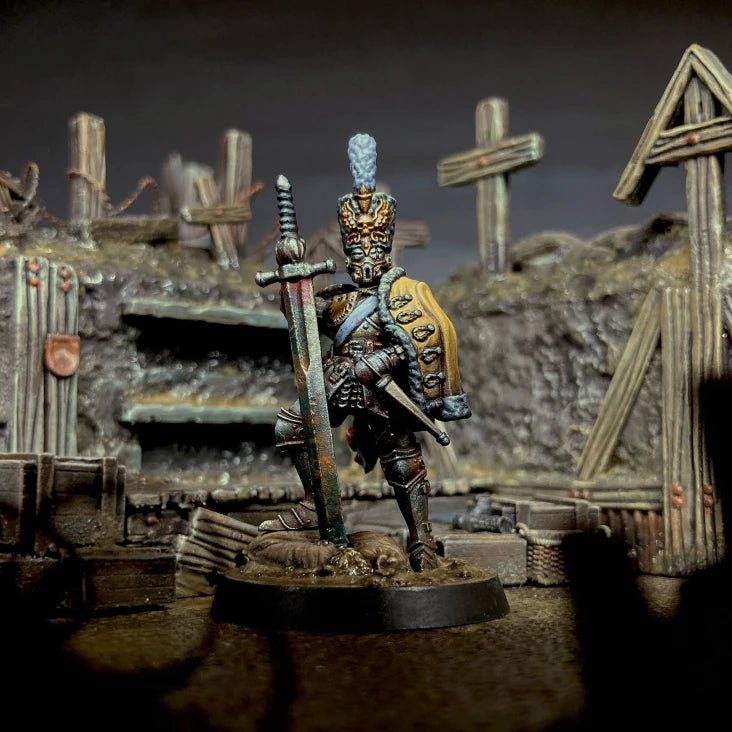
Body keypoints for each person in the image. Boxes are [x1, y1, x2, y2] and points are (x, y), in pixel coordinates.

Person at [261, 133, 471, 571]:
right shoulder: (339, 298)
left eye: (371, 249)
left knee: (402, 461)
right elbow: (303, 317)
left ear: (386, 248)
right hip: (338, 379)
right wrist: (292, 284)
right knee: (291, 427)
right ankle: (313, 504)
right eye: (356, 250)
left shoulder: (406, 295)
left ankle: (422, 539)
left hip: (382, 386)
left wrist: (382, 360)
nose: (364, 257)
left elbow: (418, 340)